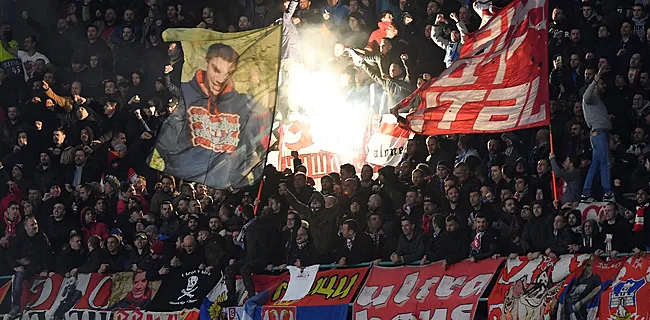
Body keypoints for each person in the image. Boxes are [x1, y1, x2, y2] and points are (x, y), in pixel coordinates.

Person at [153, 43, 272, 189]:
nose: (220, 79)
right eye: (216, 70)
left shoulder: (245, 104)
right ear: (206, 63)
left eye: (227, 73)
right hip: (190, 179)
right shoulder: (189, 95)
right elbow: (165, 143)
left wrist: (238, 179)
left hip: (224, 186)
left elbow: (256, 148)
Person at [581, 66, 614, 203]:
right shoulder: (591, 98)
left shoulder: (597, 101)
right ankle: (607, 192)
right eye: (601, 83)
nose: (603, 85)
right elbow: (586, 96)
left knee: (596, 164)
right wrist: (596, 78)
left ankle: (586, 193)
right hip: (598, 133)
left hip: (599, 133)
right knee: (605, 162)